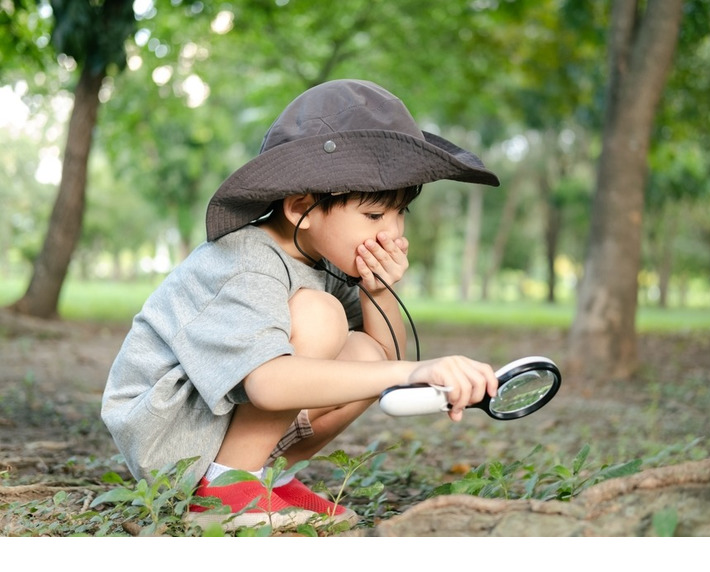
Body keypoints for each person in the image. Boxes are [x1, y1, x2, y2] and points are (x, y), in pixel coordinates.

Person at [100, 79, 501, 531]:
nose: (392, 233)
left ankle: (265, 477)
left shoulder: (322, 258)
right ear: (300, 207)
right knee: (322, 316)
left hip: (216, 422)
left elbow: (385, 357)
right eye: (374, 216)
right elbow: (269, 384)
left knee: (368, 354)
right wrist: (412, 372)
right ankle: (229, 486)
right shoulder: (247, 260)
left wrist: (381, 288)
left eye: (399, 212)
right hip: (168, 428)